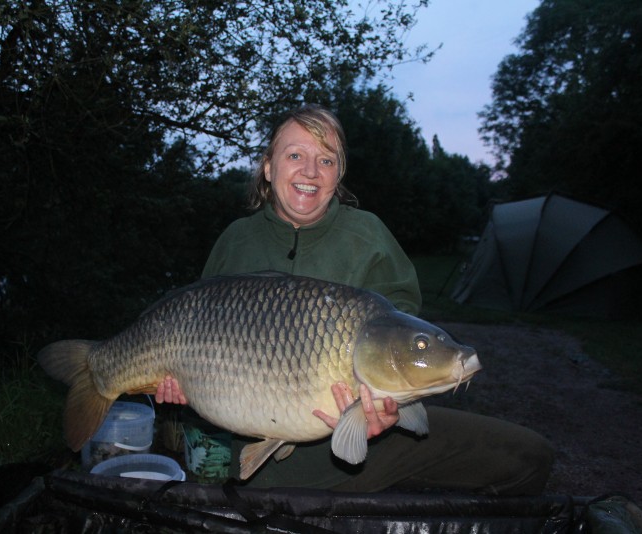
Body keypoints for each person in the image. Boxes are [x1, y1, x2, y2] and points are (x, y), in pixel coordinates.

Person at [156, 103, 554, 495]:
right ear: (268, 167)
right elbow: (194, 338)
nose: (310, 171)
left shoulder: (369, 237)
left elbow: (400, 334)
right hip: (255, 472)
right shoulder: (235, 241)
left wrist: (387, 410)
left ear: (339, 173)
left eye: (326, 160)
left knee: (529, 455)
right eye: (295, 155)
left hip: (370, 454)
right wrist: (183, 387)